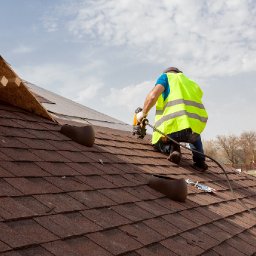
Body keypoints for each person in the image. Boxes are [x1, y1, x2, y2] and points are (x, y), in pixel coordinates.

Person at [136, 67, 208, 171]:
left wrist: (143, 113)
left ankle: (173, 149)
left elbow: (152, 96)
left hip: (173, 129)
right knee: (194, 134)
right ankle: (200, 161)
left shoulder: (166, 77)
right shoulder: (191, 82)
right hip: (194, 130)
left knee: (157, 143)